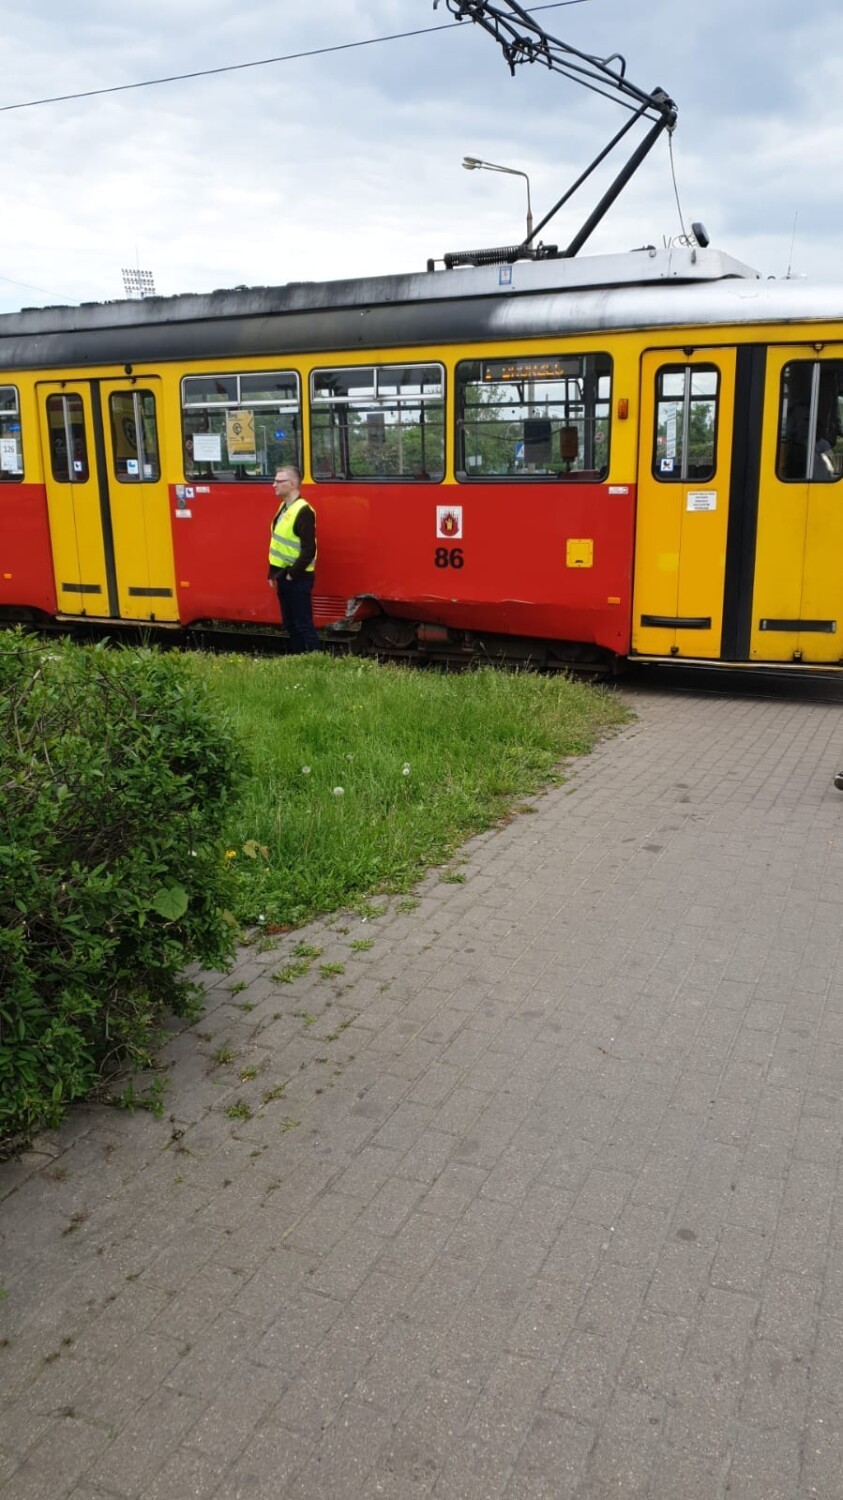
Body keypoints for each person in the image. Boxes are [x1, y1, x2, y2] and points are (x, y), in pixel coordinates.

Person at [267, 465, 320, 653]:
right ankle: (299, 658)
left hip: (298, 578)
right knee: (290, 623)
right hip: (284, 575)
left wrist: (292, 575)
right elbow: (278, 545)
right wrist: (272, 574)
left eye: (278, 481)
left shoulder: (304, 511)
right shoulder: (284, 507)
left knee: (303, 623)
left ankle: (314, 660)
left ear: (291, 484)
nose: (274, 484)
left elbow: (309, 549)